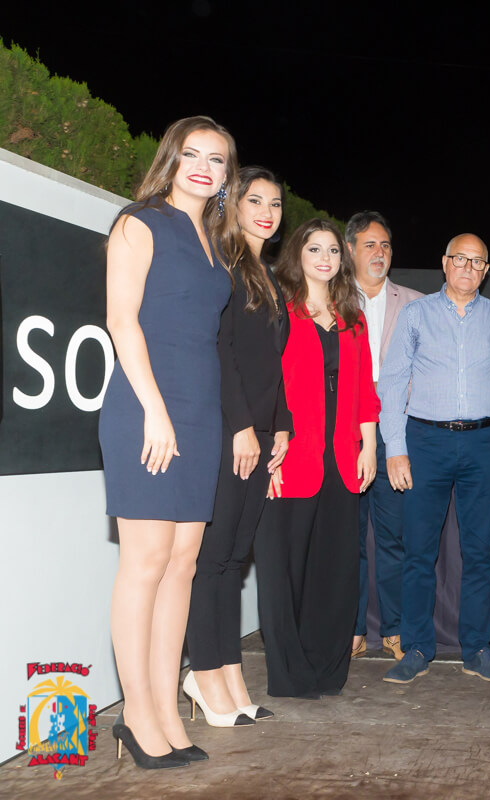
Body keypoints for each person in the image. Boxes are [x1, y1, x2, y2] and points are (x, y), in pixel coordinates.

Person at [100, 115, 239, 768]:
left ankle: (163, 707)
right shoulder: (140, 223)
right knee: (146, 561)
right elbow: (121, 321)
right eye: (193, 155)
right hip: (146, 406)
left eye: (217, 159)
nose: (204, 168)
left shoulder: (214, 240)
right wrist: (155, 411)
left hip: (201, 413)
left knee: (182, 564)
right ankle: (136, 714)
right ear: (172, 160)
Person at [378, 234, 490, 684]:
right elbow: (392, 380)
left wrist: (489, 421)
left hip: (481, 444)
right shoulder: (416, 315)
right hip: (424, 442)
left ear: (486, 270)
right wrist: (396, 448)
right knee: (418, 550)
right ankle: (417, 647)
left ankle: (477, 648)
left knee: (479, 552)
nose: (468, 268)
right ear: (444, 263)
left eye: (477, 262)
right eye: (460, 259)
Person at [184, 167, 290, 726]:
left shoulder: (266, 274)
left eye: (275, 203)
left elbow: (272, 364)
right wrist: (242, 426)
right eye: (256, 201)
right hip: (232, 430)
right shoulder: (223, 264)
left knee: (232, 558)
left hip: (263, 433)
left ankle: (229, 672)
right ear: (233, 204)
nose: (267, 212)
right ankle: (203, 672)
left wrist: (282, 426)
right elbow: (221, 351)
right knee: (212, 558)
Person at [256, 219, 379, 698]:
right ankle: (290, 674)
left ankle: (328, 669)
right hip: (291, 457)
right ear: (298, 254)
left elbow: (365, 390)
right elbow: (267, 383)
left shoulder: (353, 316)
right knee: (286, 571)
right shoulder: (280, 310)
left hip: (343, 460)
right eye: (315, 249)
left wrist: (369, 447)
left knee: (335, 569)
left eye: (332, 250)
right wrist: (268, 451)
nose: (325, 258)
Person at [346, 211, 422, 662]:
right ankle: (353, 629)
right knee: (347, 537)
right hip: (344, 434)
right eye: (370, 244)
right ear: (350, 249)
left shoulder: (416, 303)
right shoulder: (331, 297)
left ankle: (394, 628)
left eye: (386, 245)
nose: (380, 253)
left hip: (396, 432)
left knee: (394, 537)